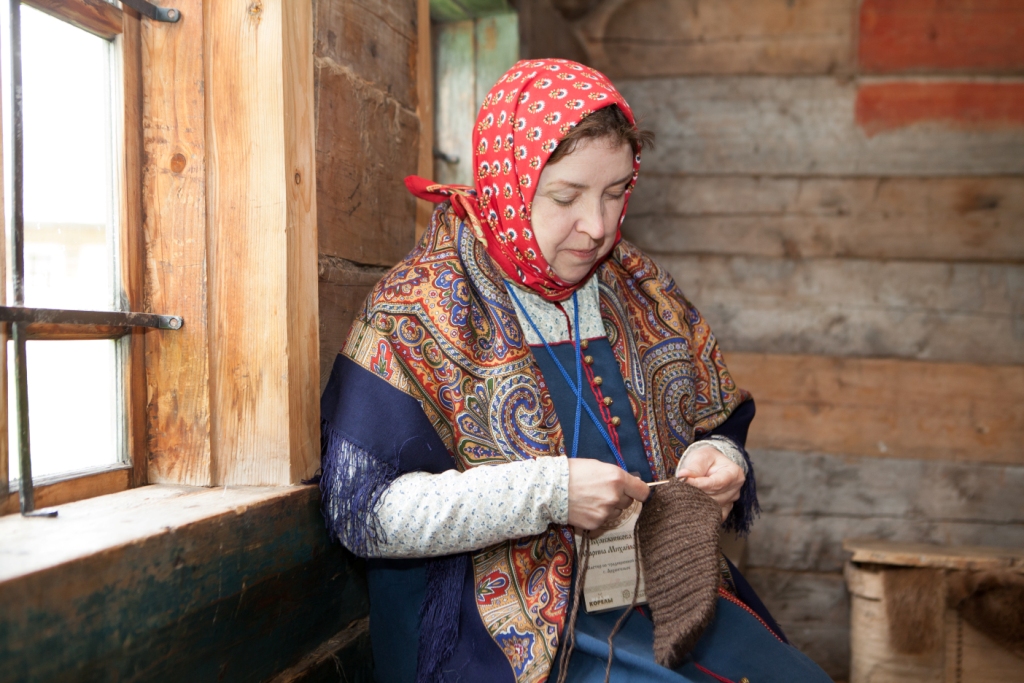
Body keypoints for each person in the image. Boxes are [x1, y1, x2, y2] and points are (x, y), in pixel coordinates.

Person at [319, 59, 832, 683]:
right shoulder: (419, 309)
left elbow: (715, 419)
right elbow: (363, 514)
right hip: (501, 633)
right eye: (566, 197)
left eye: (616, 193)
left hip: (654, 599)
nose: (598, 226)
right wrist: (550, 491)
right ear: (508, 182)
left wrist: (722, 458)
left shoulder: (637, 290)